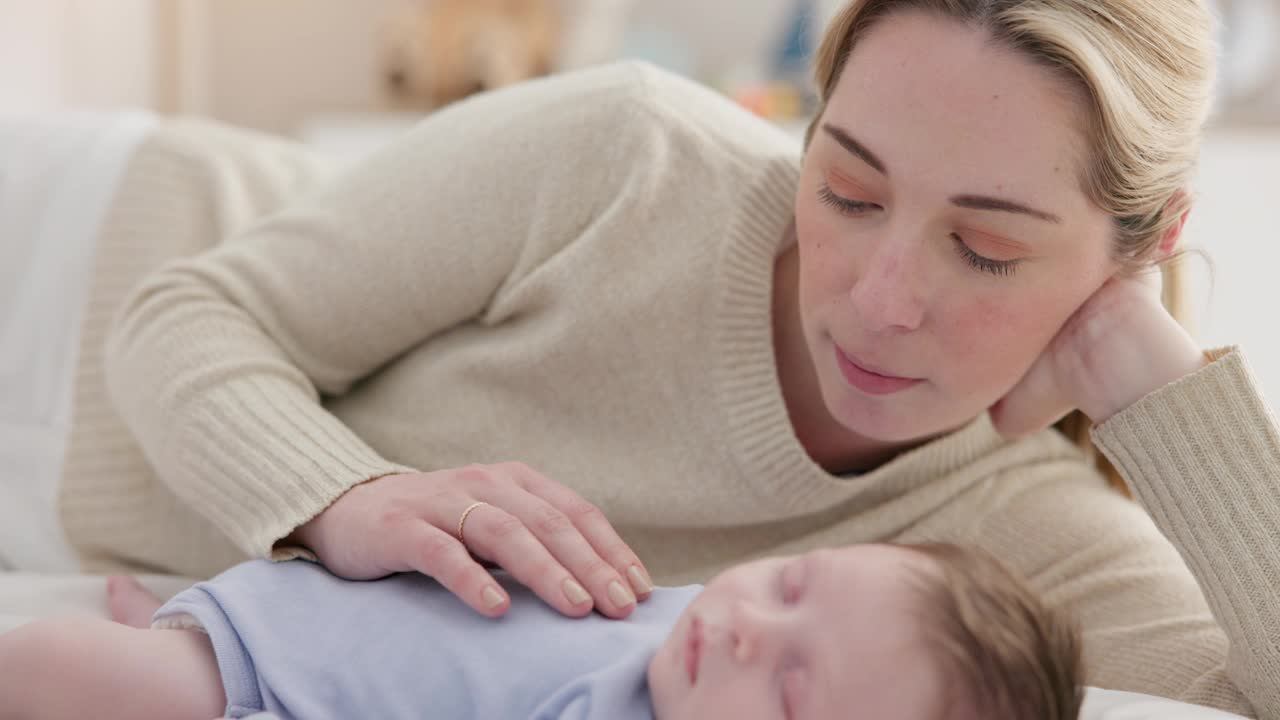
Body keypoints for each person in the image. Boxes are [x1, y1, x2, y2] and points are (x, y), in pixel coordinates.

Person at [37, 0, 1280, 717]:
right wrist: (342, 497)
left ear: (1143, 240)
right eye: (846, 189)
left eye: (986, 250)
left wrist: (1153, 378)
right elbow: (185, 315)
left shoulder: (1027, 551)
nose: (880, 300)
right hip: (71, 274)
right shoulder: (631, 156)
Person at [0, 542, 1082, 720]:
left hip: (269, 689)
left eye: (793, 696)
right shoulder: (697, 635)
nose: (749, 626)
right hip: (297, 603)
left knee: (47, 660)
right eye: (791, 585)